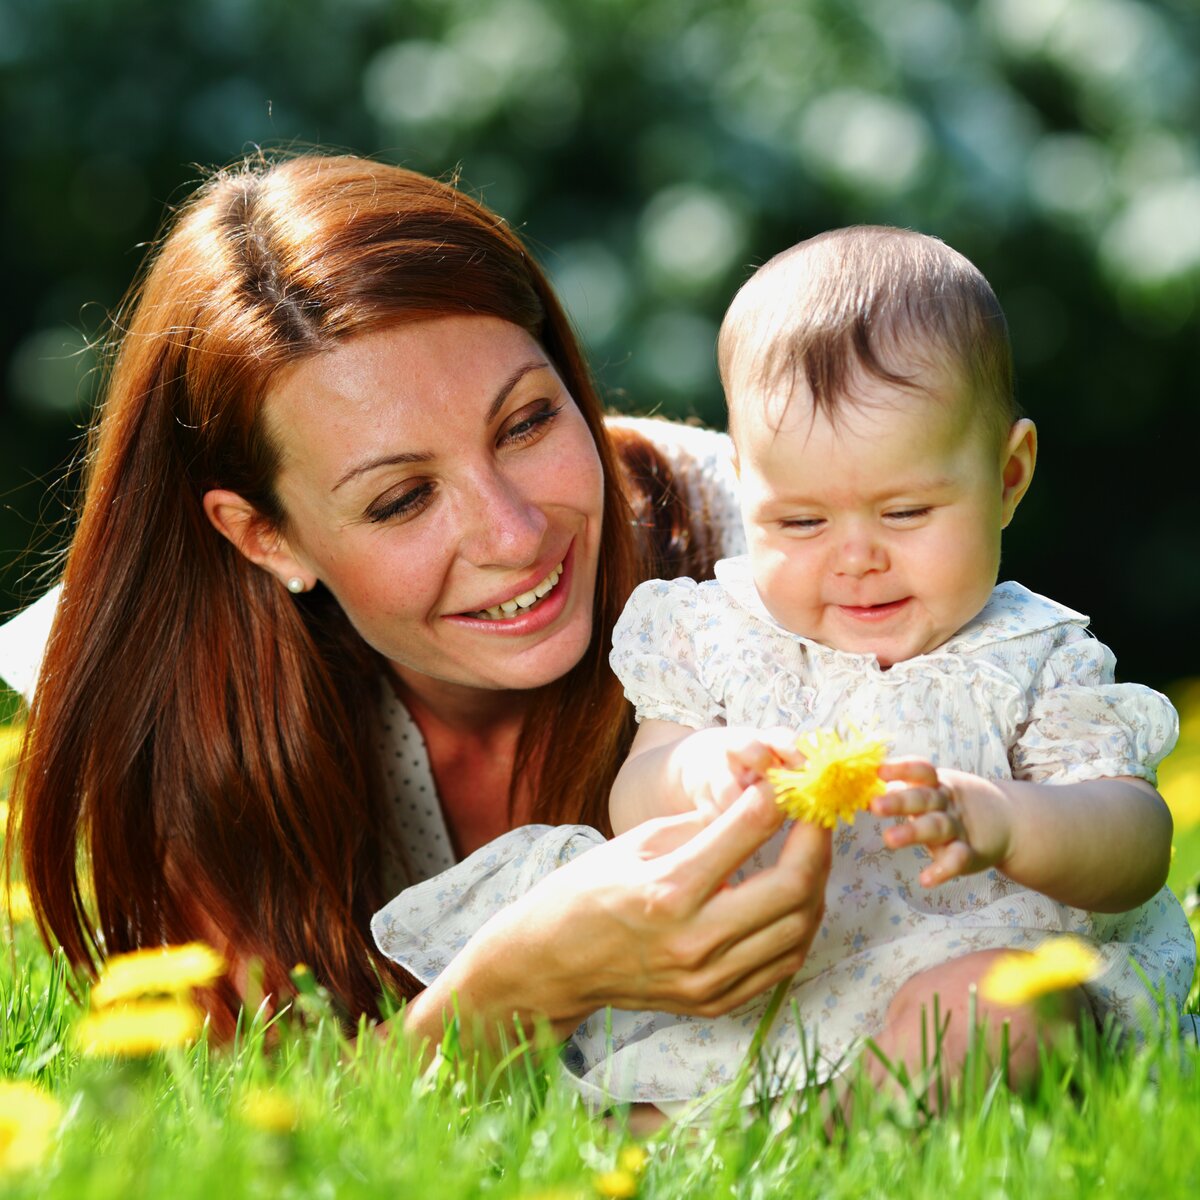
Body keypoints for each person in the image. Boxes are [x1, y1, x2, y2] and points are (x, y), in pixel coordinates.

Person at [0, 152, 832, 1055]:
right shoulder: (172, 688)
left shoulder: (793, 556)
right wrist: (518, 990)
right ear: (263, 536)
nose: (511, 535)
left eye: (527, 424)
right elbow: (272, 1142)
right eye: (401, 499)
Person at [374, 226, 1193, 1108]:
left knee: (1002, 1011)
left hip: (957, 970)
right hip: (763, 993)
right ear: (744, 484)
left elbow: (1136, 842)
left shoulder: (1034, 653)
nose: (855, 558)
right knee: (643, 1090)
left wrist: (1001, 819)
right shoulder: (716, 634)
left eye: (907, 511)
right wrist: (698, 771)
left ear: (1009, 475)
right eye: (800, 523)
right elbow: (637, 794)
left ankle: (846, 1123)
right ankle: (726, 1132)